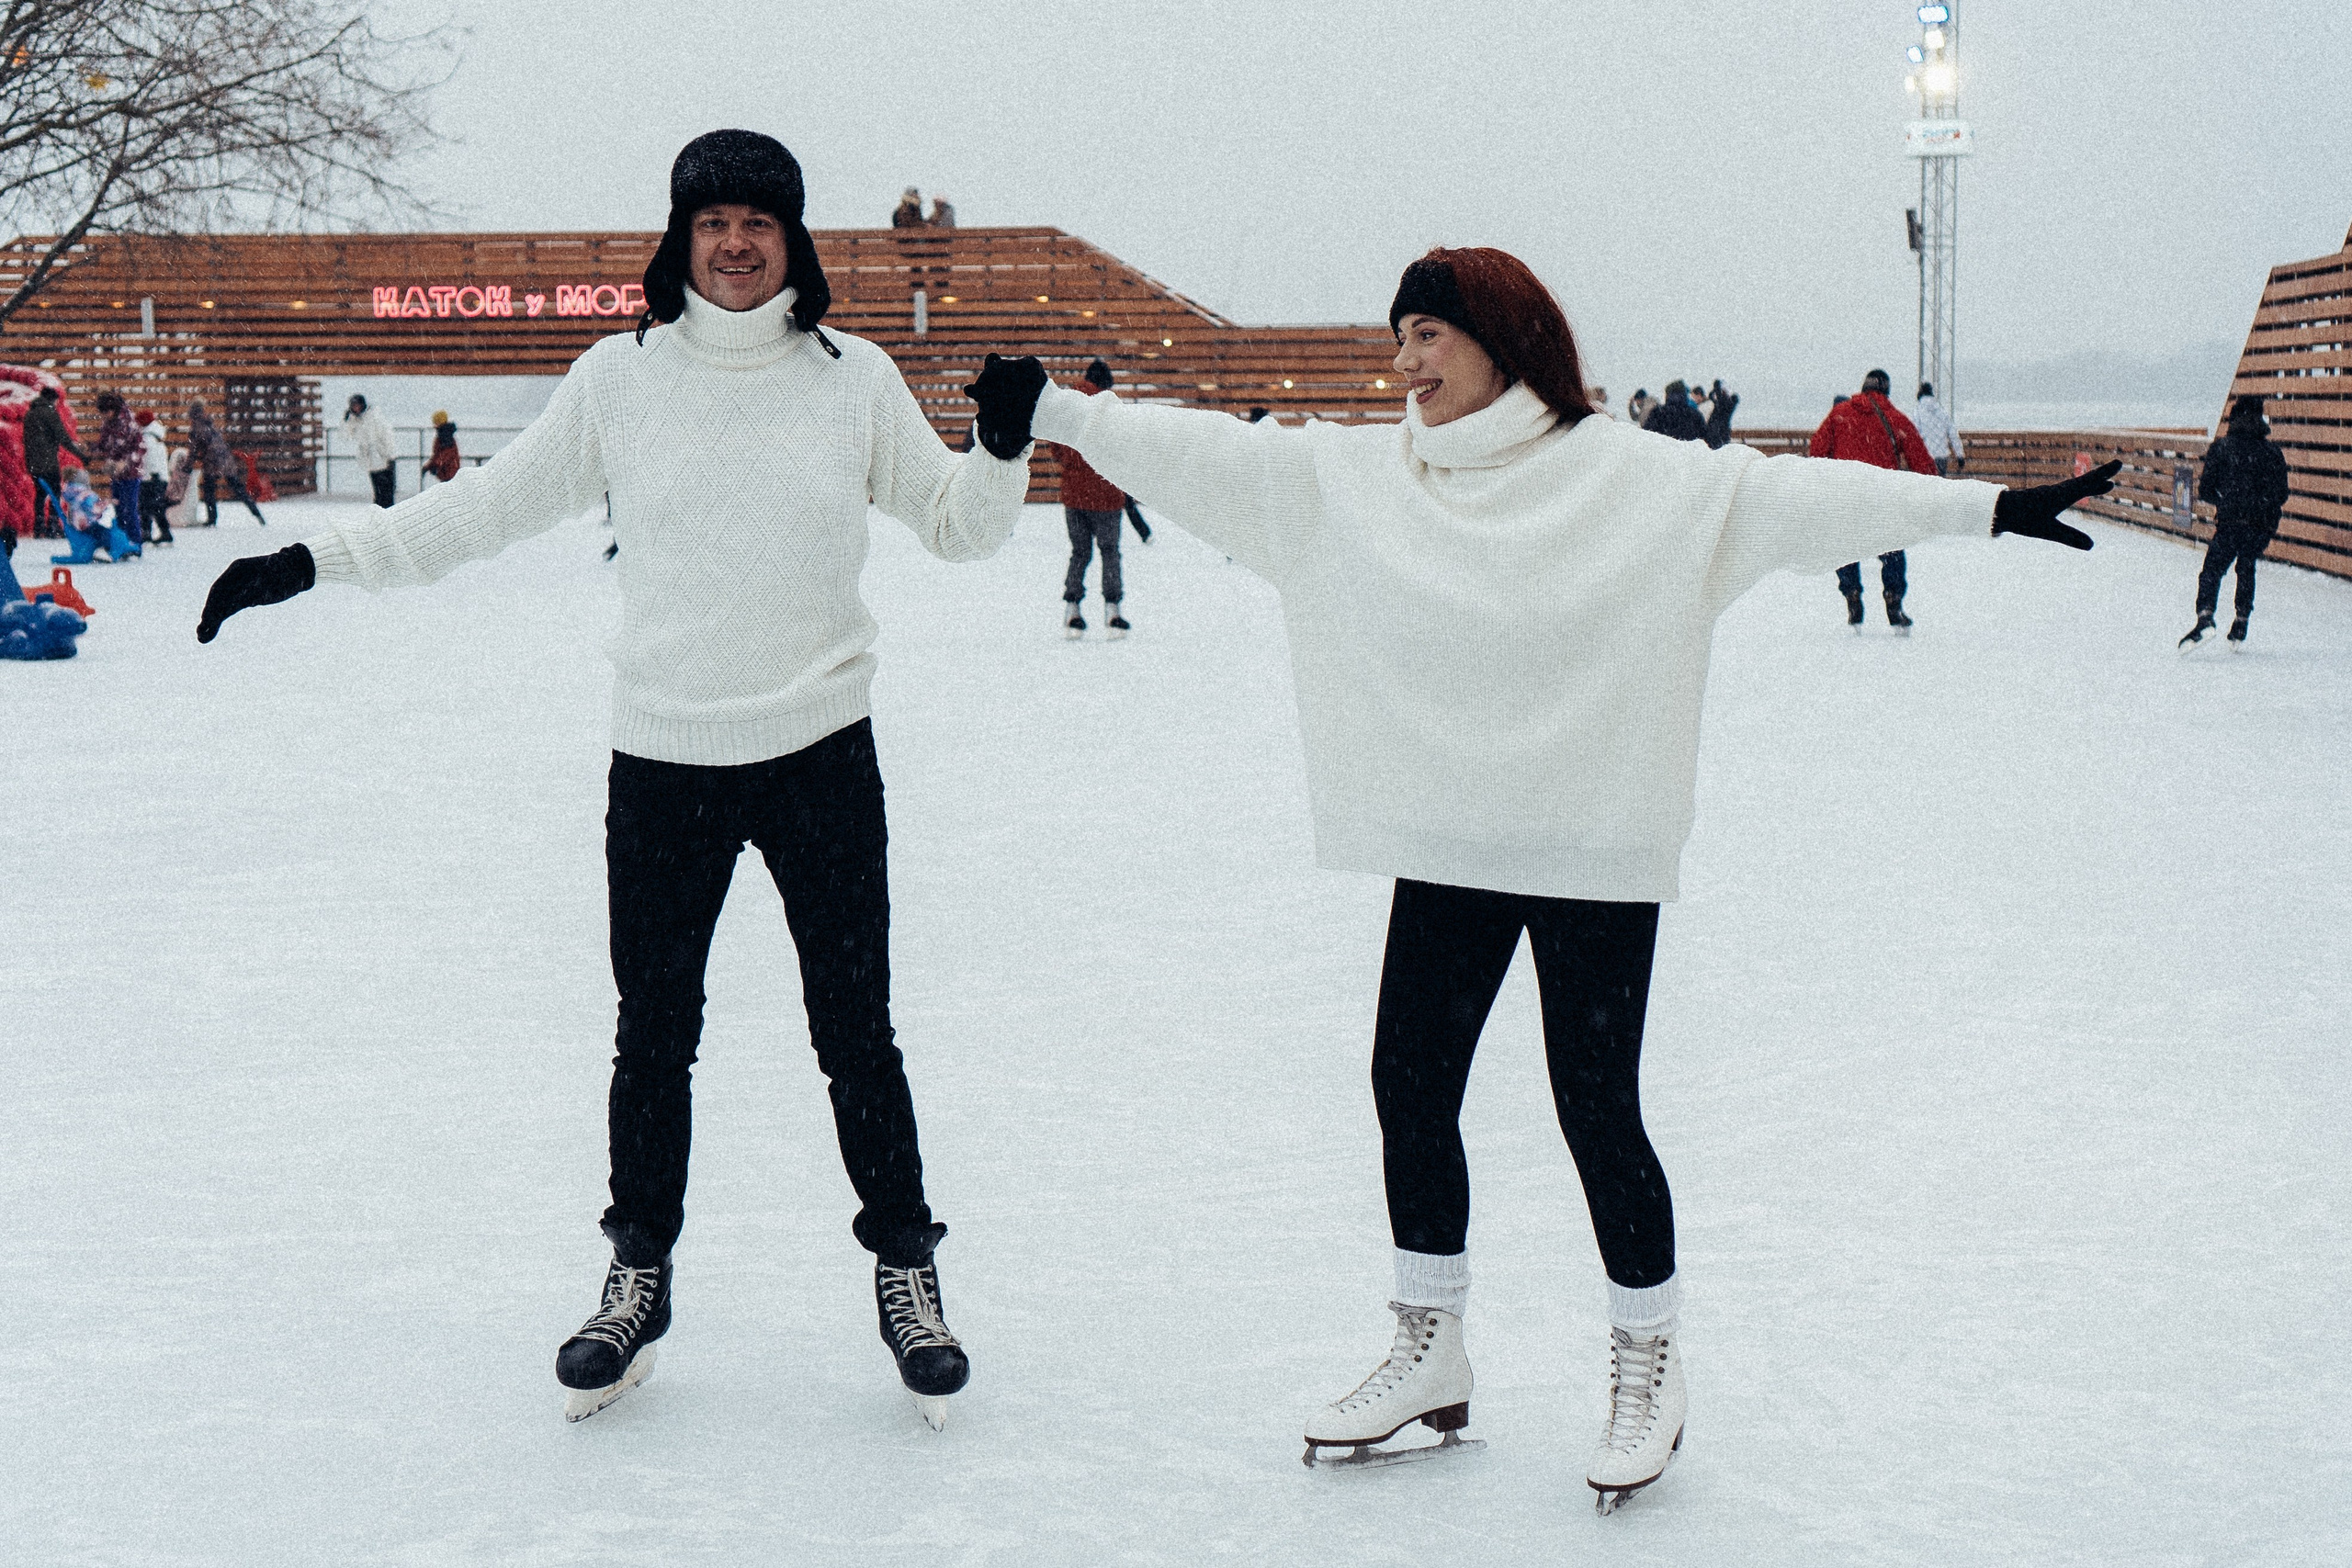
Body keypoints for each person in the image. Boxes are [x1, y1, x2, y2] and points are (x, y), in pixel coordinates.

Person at [966, 244, 2109, 1511]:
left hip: (1591, 845)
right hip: (1454, 841)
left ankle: (1647, 1359)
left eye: (1428, 335)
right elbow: (1213, 458)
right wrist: (1057, 410)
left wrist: (1986, 509)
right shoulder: (1368, 480)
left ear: (1502, 340)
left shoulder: (1635, 477)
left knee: (1595, 1108)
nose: (1404, 362)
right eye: (1399, 337)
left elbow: (1800, 501)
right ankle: (1430, 1345)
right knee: (1409, 1084)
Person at [195, 129, 1035, 1432]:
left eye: (759, 221)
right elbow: (479, 512)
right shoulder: (618, 379)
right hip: (665, 757)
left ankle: (906, 1272)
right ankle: (637, 1274)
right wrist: (311, 562)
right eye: (714, 223)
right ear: (681, 239)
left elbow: (959, 529)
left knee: (855, 1031)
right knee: (653, 1035)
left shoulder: (852, 378)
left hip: (819, 751)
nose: (737, 243)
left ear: (794, 240)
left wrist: (998, 446)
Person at [1812, 370, 1935, 631]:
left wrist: (1826, 479)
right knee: (1892, 550)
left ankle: (1851, 593)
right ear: (1886, 390)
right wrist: (1933, 489)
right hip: (1883, 497)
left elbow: (1817, 449)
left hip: (1846, 495)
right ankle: (1893, 599)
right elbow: (1921, 460)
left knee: (1844, 549)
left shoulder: (1839, 414)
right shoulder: (1895, 418)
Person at [2180, 395, 2292, 649]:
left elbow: (2206, 490)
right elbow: (2281, 494)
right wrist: (2260, 504)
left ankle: (2205, 617)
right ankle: (2241, 622)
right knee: (2246, 565)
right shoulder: (2272, 452)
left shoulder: (2222, 448)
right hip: (2261, 524)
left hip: (2231, 521)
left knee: (2212, 570)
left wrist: (2228, 499)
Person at [1047, 358, 1132, 638]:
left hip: (1074, 495)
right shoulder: (1109, 408)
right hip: (1106, 495)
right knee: (1110, 552)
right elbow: (1120, 448)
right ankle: (1113, 611)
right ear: (1106, 384)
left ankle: (1072, 609)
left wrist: (1075, 466)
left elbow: (1056, 448)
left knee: (1080, 553)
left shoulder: (1067, 406)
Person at [187, 400, 266, 525]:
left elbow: (193, 451)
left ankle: (212, 519)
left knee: (209, 491)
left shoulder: (196, 428)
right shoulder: (210, 423)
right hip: (226, 460)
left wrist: (187, 467)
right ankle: (257, 513)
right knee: (238, 489)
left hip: (212, 462)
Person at [22, 385, 85, 539]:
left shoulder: (30, 413)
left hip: (33, 463)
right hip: (48, 462)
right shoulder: (50, 413)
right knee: (55, 493)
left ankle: (38, 528)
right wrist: (81, 456)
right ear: (53, 399)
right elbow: (63, 438)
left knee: (40, 494)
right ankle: (53, 527)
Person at [95, 392, 146, 547]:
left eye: (106, 412)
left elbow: (140, 448)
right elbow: (104, 444)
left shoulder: (128, 422)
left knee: (129, 508)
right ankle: (122, 541)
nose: (104, 416)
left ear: (112, 409)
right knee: (119, 508)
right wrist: (94, 449)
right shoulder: (109, 423)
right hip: (116, 474)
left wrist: (126, 462)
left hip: (131, 473)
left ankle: (135, 542)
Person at [344, 394, 399, 507]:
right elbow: (346, 436)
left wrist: (391, 457)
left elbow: (387, 437)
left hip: (382, 459)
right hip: (371, 461)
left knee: (386, 492)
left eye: (357, 405)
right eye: (353, 406)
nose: (355, 408)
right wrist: (346, 421)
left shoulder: (374, 417)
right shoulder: (356, 420)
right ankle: (380, 511)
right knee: (378, 491)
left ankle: (386, 512)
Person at [136, 410, 174, 545]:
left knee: (146, 507)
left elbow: (149, 459)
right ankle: (163, 532)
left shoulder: (147, 438)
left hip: (151, 477)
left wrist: (150, 474)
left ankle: (148, 532)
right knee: (156, 507)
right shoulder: (157, 435)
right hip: (159, 476)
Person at [1912, 381, 1962, 476]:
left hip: (1925, 454)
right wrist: (1959, 455)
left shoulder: (1918, 411)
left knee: (1925, 482)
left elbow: (1915, 433)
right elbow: (1953, 434)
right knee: (1940, 482)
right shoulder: (1942, 411)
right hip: (1941, 455)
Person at [1641, 379, 1706, 442]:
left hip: (1662, 448)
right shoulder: (1695, 415)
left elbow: (1646, 436)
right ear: (1684, 395)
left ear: (1667, 395)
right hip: (1688, 449)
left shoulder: (1658, 412)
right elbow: (1703, 438)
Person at [424, 412, 461, 484]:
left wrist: (435, 465)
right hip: (449, 471)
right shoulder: (445, 434)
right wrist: (431, 465)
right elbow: (439, 454)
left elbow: (445, 454)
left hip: (448, 472)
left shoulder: (445, 436)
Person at [1702, 379, 1738, 450]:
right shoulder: (1727, 404)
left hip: (1716, 432)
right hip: (1721, 432)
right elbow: (1712, 396)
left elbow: (1715, 397)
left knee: (1717, 449)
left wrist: (1716, 387)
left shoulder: (1723, 404)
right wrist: (1716, 389)